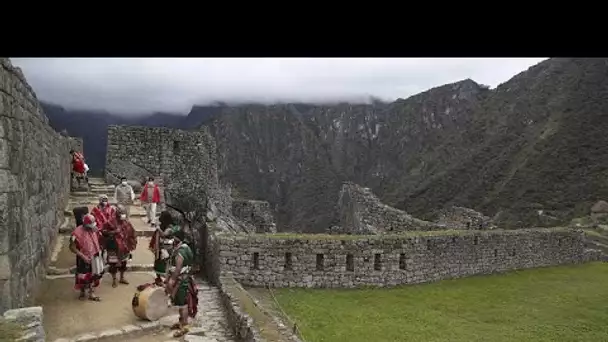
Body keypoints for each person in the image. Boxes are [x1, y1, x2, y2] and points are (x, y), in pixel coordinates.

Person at [165, 229, 198, 338]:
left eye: (174, 237)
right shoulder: (186, 247)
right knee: (180, 302)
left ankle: (184, 325)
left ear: (176, 238)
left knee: (183, 304)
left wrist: (172, 280)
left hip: (181, 280)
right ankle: (181, 322)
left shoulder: (181, 252)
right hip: (185, 278)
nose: (173, 238)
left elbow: (178, 268)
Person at [69, 214, 104, 301]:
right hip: (83, 258)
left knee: (94, 275)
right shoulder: (76, 233)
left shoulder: (94, 229)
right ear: (85, 225)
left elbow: (99, 239)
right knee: (83, 276)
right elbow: (72, 247)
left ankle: (91, 293)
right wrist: (83, 256)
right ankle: (82, 292)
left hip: (95, 256)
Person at [102, 205, 137, 288]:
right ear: (117, 213)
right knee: (113, 264)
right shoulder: (110, 222)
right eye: (121, 213)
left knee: (123, 263)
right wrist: (113, 232)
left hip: (125, 248)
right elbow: (103, 232)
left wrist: (131, 242)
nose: (123, 215)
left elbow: (132, 232)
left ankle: (121, 277)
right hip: (113, 247)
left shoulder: (126, 222)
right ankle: (114, 279)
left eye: (124, 213)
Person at [149, 211, 182, 286]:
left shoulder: (170, 227)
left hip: (167, 249)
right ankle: (158, 279)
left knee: (166, 265)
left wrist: (158, 228)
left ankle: (167, 280)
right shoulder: (163, 225)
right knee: (158, 263)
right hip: (161, 248)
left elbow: (164, 234)